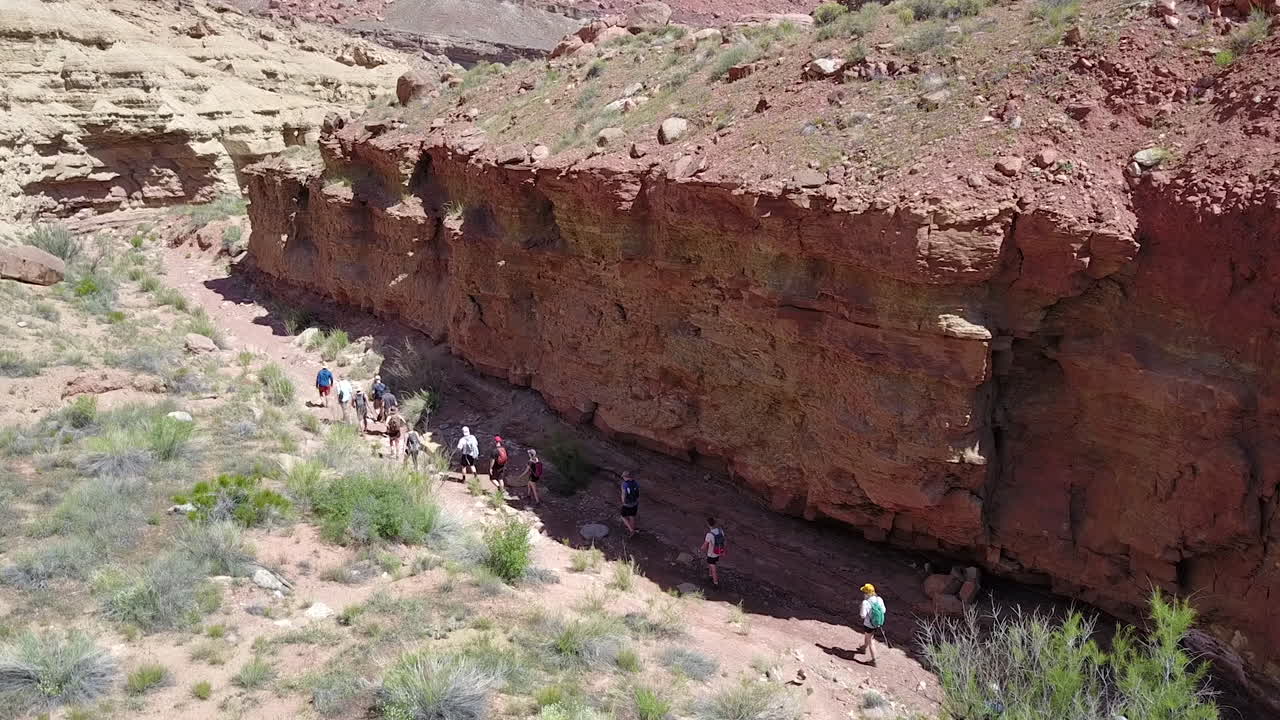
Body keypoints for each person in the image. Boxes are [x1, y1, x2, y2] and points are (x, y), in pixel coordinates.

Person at [856, 583, 887, 666]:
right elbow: (883, 610)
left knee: (871, 641)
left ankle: (874, 660)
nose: (863, 594)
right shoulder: (879, 599)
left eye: (864, 592)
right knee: (868, 635)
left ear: (867, 593)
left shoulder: (865, 602)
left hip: (868, 624)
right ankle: (863, 648)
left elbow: (863, 615)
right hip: (877, 623)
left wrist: (862, 609)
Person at [699, 517, 726, 589]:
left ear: (708, 525)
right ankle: (710, 575)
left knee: (713, 567)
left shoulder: (709, 534)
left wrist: (700, 550)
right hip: (718, 551)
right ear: (715, 523)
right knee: (711, 564)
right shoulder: (720, 531)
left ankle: (715, 583)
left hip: (711, 554)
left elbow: (704, 546)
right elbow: (723, 541)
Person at [619, 472, 640, 537]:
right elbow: (637, 492)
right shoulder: (635, 482)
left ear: (626, 477)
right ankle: (633, 529)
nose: (623, 478)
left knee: (622, 516)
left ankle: (631, 530)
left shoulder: (624, 484)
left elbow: (624, 494)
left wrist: (623, 501)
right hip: (635, 502)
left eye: (624, 477)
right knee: (632, 516)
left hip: (627, 504)